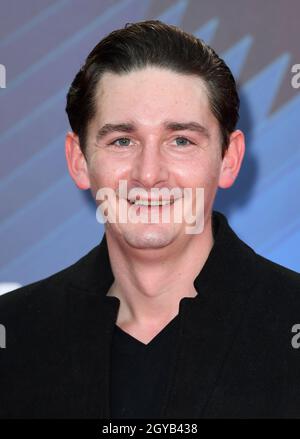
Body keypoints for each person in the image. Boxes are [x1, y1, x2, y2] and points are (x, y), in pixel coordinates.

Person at [0, 20, 300, 419]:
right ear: (79, 161)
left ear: (229, 160)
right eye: (122, 140)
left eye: (181, 141)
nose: (149, 173)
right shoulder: (15, 334)